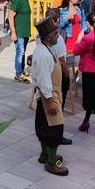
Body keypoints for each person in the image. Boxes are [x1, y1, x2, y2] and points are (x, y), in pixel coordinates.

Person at [31, 17, 68, 175]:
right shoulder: (43, 54)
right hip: (49, 96)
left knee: (43, 126)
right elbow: (44, 79)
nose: (57, 36)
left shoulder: (45, 49)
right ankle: (52, 162)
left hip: (49, 94)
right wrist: (50, 101)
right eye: (55, 33)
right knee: (55, 129)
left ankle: (45, 154)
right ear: (48, 36)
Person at [8, 0, 34, 84]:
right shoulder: (17, 1)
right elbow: (11, 16)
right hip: (19, 33)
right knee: (20, 52)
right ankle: (18, 74)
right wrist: (13, 32)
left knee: (22, 52)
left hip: (25, 32)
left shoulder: (26, 0)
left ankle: (21, 70)